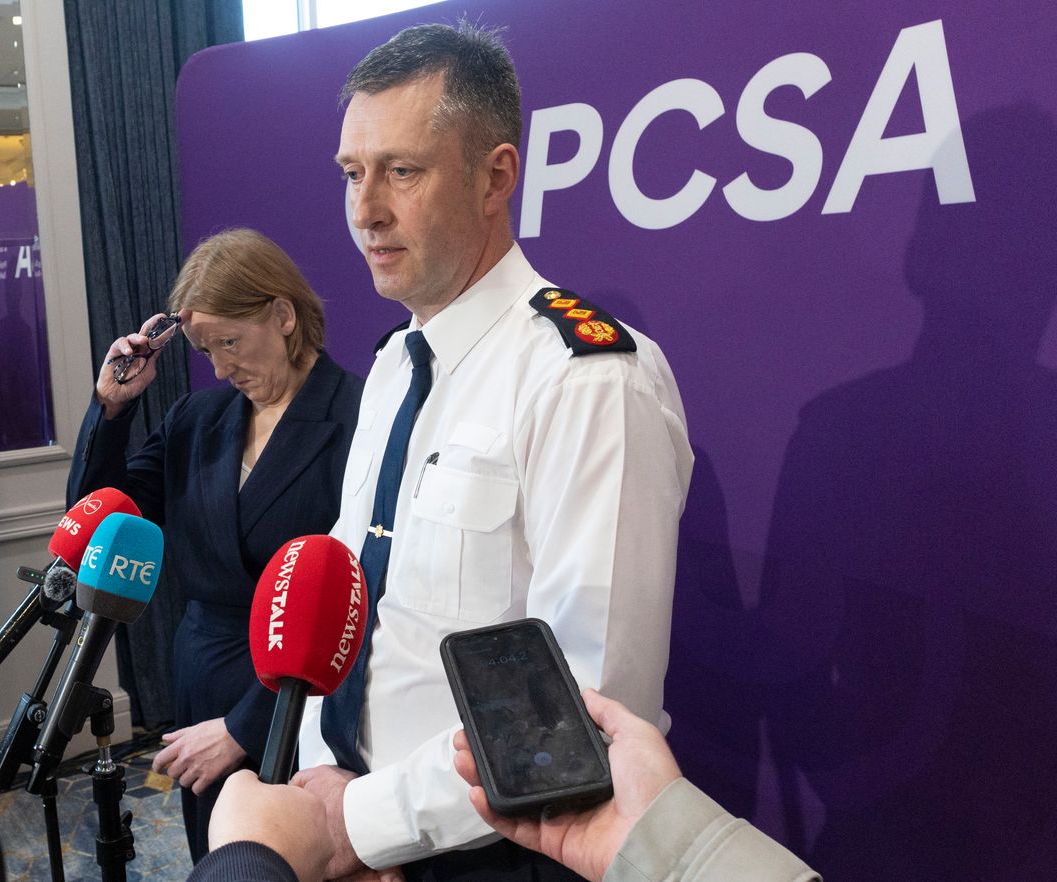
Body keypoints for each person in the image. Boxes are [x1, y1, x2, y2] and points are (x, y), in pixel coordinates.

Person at [292, 22, 693, 881]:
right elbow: (359, 598)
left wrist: (360, 828)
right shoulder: (395, 365)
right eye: (352, 174)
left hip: (502, 855)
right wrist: (322, 771)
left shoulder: (588, 379)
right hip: (358, 822)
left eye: (402, 171)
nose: (366, 210)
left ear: (495, 176)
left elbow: (580, 720)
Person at [67, 228, 363, 862]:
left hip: (302, 694)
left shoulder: (361, 413)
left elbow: (365, 592)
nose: (221, 367)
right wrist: (111, 410)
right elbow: (101, 518)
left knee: (296, 857)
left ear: (283, 316)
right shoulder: (196, 420)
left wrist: (242, 727)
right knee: (216, 853)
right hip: (203, 672)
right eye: (205, 350)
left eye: (230, 342)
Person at [187, 691, 819, 882]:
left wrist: (255, 853)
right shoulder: (390, 381)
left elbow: (583, 687)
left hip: (473, 856)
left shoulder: (591, 383)